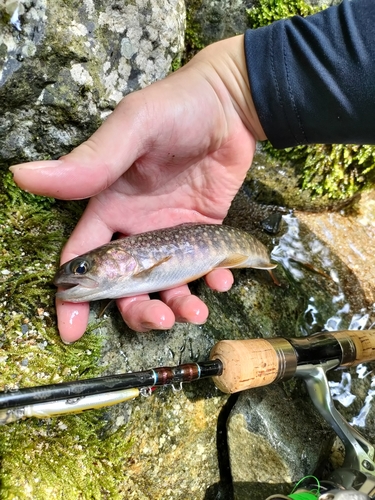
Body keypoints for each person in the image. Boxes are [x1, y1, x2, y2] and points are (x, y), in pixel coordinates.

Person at [9, 0, 375, 343]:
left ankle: (270, 261)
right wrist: (233, 90)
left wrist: (236, 89)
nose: (74, 275)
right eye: (81, 269)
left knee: (255, 261)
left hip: (248, 247)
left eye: (82, 267)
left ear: (115, 258)